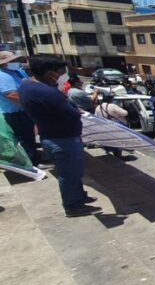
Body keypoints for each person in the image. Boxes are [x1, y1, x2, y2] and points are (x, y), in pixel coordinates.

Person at [18, 57, 100, 217]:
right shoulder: (46, 92)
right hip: (62, 140)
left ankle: (79, 196)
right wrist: (77, 112)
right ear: (50, 73)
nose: (62, 76)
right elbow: (71, 113)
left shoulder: (27, 85)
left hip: (53, 136)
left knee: (74, 171)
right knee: (69, 174)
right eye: (60, 73)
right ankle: (72, 206)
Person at [0, 51, 40, 166]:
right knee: (25, 137)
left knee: (30, 136)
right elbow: (11, 95)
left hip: (23, 111)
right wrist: (31, 107)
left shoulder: (17, 72)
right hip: (16, 113)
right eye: (12, 61)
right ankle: (32, 162)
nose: (15, 62)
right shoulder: (3, 76)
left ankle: (34, 156)